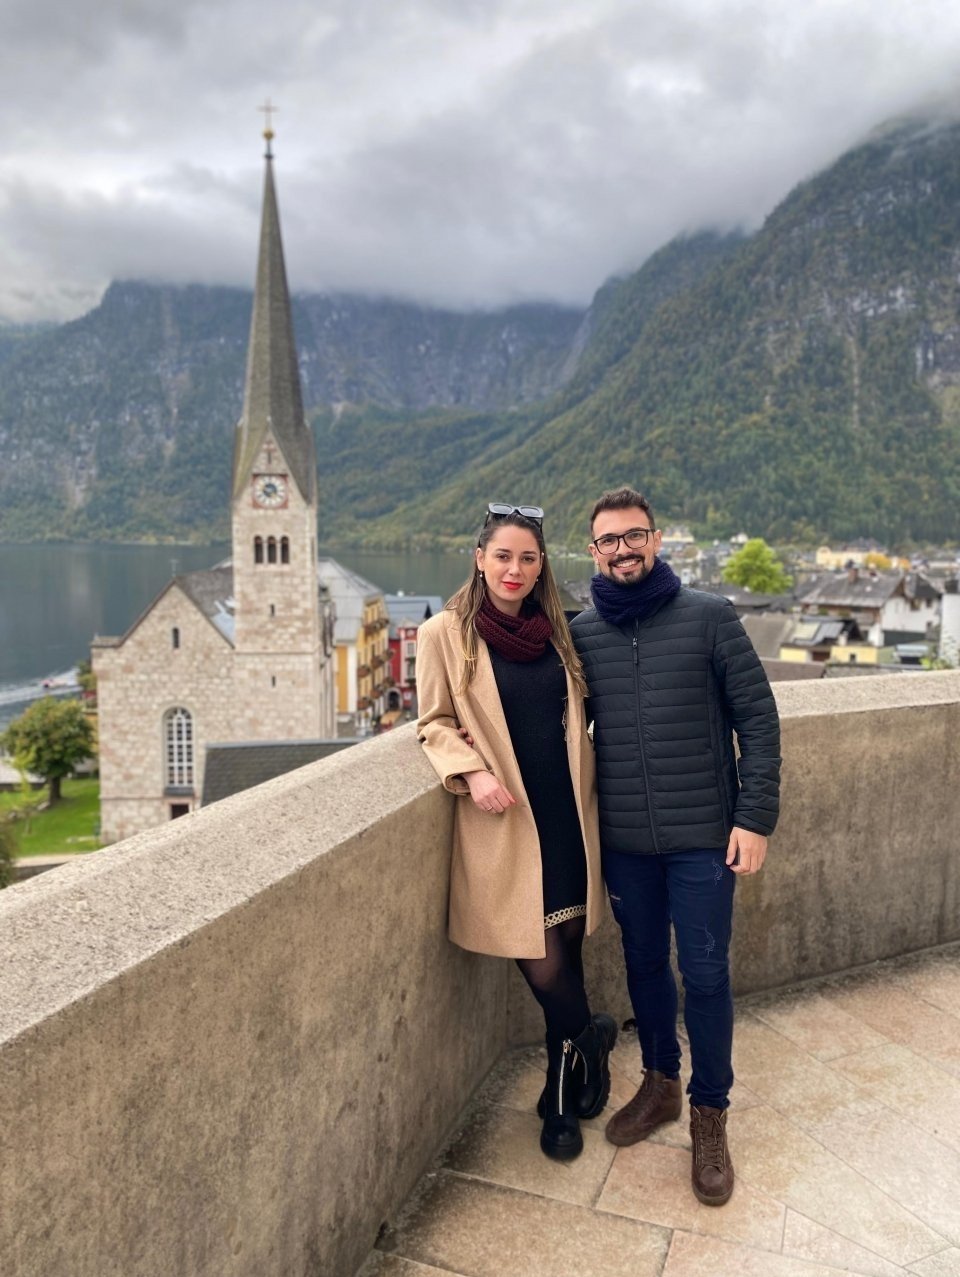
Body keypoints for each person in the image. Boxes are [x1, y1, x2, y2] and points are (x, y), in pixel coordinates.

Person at [569, 486, 780, 1206]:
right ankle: (660, 1081)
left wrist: (755, 819)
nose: (623, 549)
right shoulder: (583, 634)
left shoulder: (710, 617)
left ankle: (709, 1112)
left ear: (656, 540)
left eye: (635, 535)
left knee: (707, 974)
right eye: (609, 540)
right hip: (627, 841)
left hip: (703, 840)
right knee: (644, 965)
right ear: (593, 552)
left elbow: (759, 721)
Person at [416, 503, 616, 1162]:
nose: (515, 569)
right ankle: (590, 1039)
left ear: (541, 566)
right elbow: (432, 721)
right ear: (479, 559)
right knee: (545, 966)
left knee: (566, 954)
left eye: (528, 558)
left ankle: (558, 1091)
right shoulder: (445, 633)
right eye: (502, 555)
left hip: (566, 815)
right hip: (509, 822)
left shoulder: (559, 630)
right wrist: (471, 772)